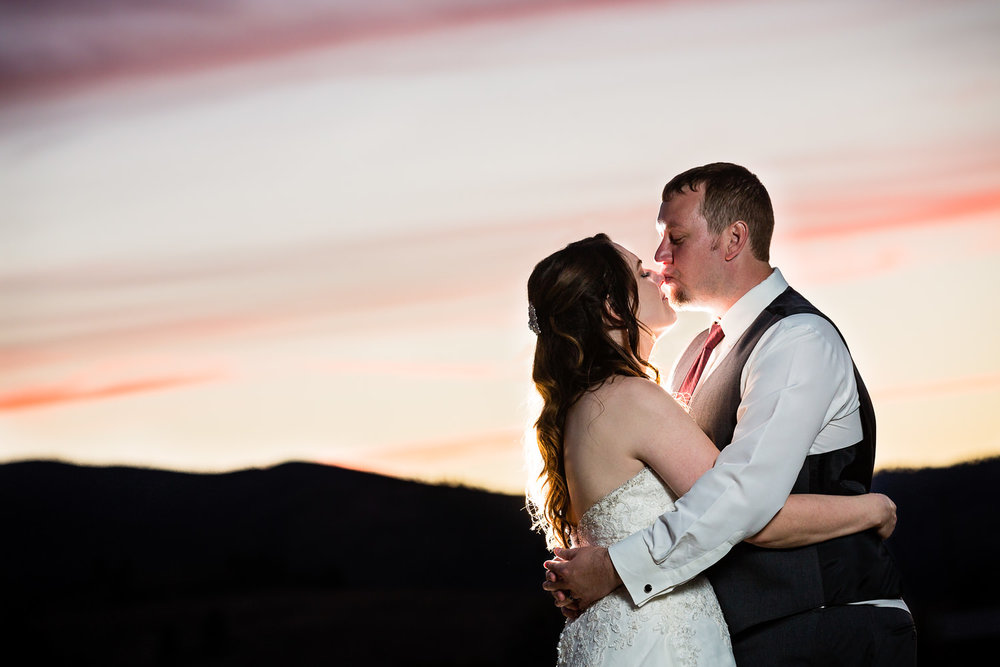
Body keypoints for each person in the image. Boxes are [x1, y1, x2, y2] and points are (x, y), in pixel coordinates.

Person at [541, 164, 916, 665]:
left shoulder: (795, 338)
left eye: (676, 238)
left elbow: (743, 497)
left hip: (827, 622)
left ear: (734, 238)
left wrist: (615, 567)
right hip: (737, 637)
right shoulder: (691, 356)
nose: (660, 257)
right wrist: (870, 509)